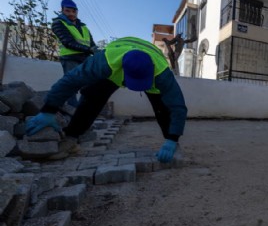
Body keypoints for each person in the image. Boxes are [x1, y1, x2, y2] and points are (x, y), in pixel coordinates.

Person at [25, 37, 188, 163]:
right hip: (116, 62)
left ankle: (172, 145)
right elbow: (70, 81)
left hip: (150, 67)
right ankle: (71, 139)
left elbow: (178, 106)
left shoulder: (162, 73)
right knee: (92, 96)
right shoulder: (103, 61)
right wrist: (48, 110)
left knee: (163, 108)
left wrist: (172, 139)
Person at [52, 0, 97, 107]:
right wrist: (90, 50)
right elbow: (67, 42)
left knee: (89, 85)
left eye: (74, 11)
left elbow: (91, 43)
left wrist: (96, 51)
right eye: (68, 11)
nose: (71, 14)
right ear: (62, 10)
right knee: (72, 84)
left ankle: (84, 108)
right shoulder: (58, 23)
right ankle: (72, 109)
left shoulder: (83, 26)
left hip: (85, 58)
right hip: (69, 58)